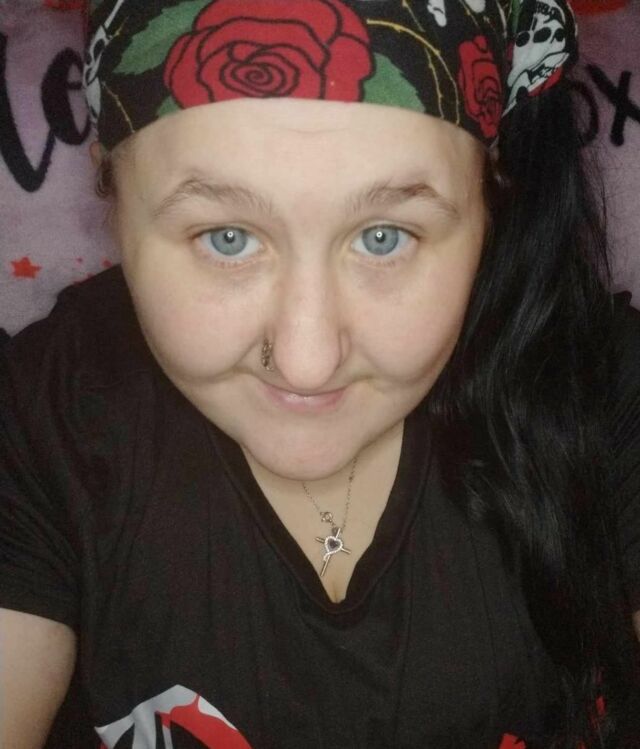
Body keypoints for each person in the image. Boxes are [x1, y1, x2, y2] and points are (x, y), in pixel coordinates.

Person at [1, 0, 639, 747]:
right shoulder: (43, 416)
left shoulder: (606, 387)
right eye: (227, 237)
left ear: (489, 198)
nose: (308, 360)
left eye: (384, 236)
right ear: (109, 193)